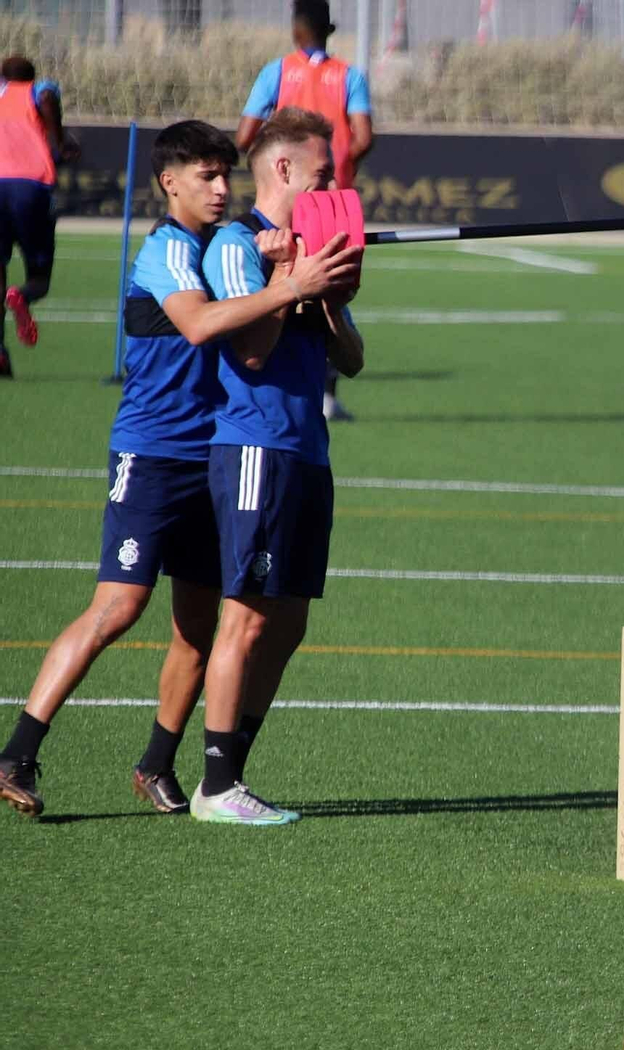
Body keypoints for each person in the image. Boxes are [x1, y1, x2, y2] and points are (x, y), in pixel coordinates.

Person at [0, 121, 358, 818]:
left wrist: (286, 268)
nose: (222, 189)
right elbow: (201, 325)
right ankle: (18, 749)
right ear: (170, 183)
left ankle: (158, 763)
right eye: (206, 177)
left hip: (214, 455)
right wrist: (286, 276)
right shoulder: (168, 251)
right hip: (155, 451)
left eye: (227, 175)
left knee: (198, 627)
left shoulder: (233, 246)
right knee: (119, 605)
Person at [192, 107, 364, 826]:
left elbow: (351, 360)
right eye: (324, 172)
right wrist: (291, 275)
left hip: (306, 451)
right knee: (246, 617)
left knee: (288, 620)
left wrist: (326, 295)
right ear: (285, 169)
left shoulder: (312, 245)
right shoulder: (235, 243)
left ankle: (235, 768)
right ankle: (215, 785)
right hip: (256, 445)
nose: (333, 183)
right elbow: (253, 349)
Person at [237, 0, 373, 423]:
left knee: (277, 279)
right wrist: (340, 170)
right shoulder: (349, 75)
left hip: (287, 198)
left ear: (296, 29)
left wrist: (272, 159)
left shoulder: (275, 72)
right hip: (335, 204)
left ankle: (269, 376)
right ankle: (327, 393)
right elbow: (364, 137)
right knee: (335, 292)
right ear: (329, 29)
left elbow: (245, 134)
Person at [0, 55, 77, 378]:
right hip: (32, 186)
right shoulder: (39, 90)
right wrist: (60, 142)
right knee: (40, 277)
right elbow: (47, 98)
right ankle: (24, 294)